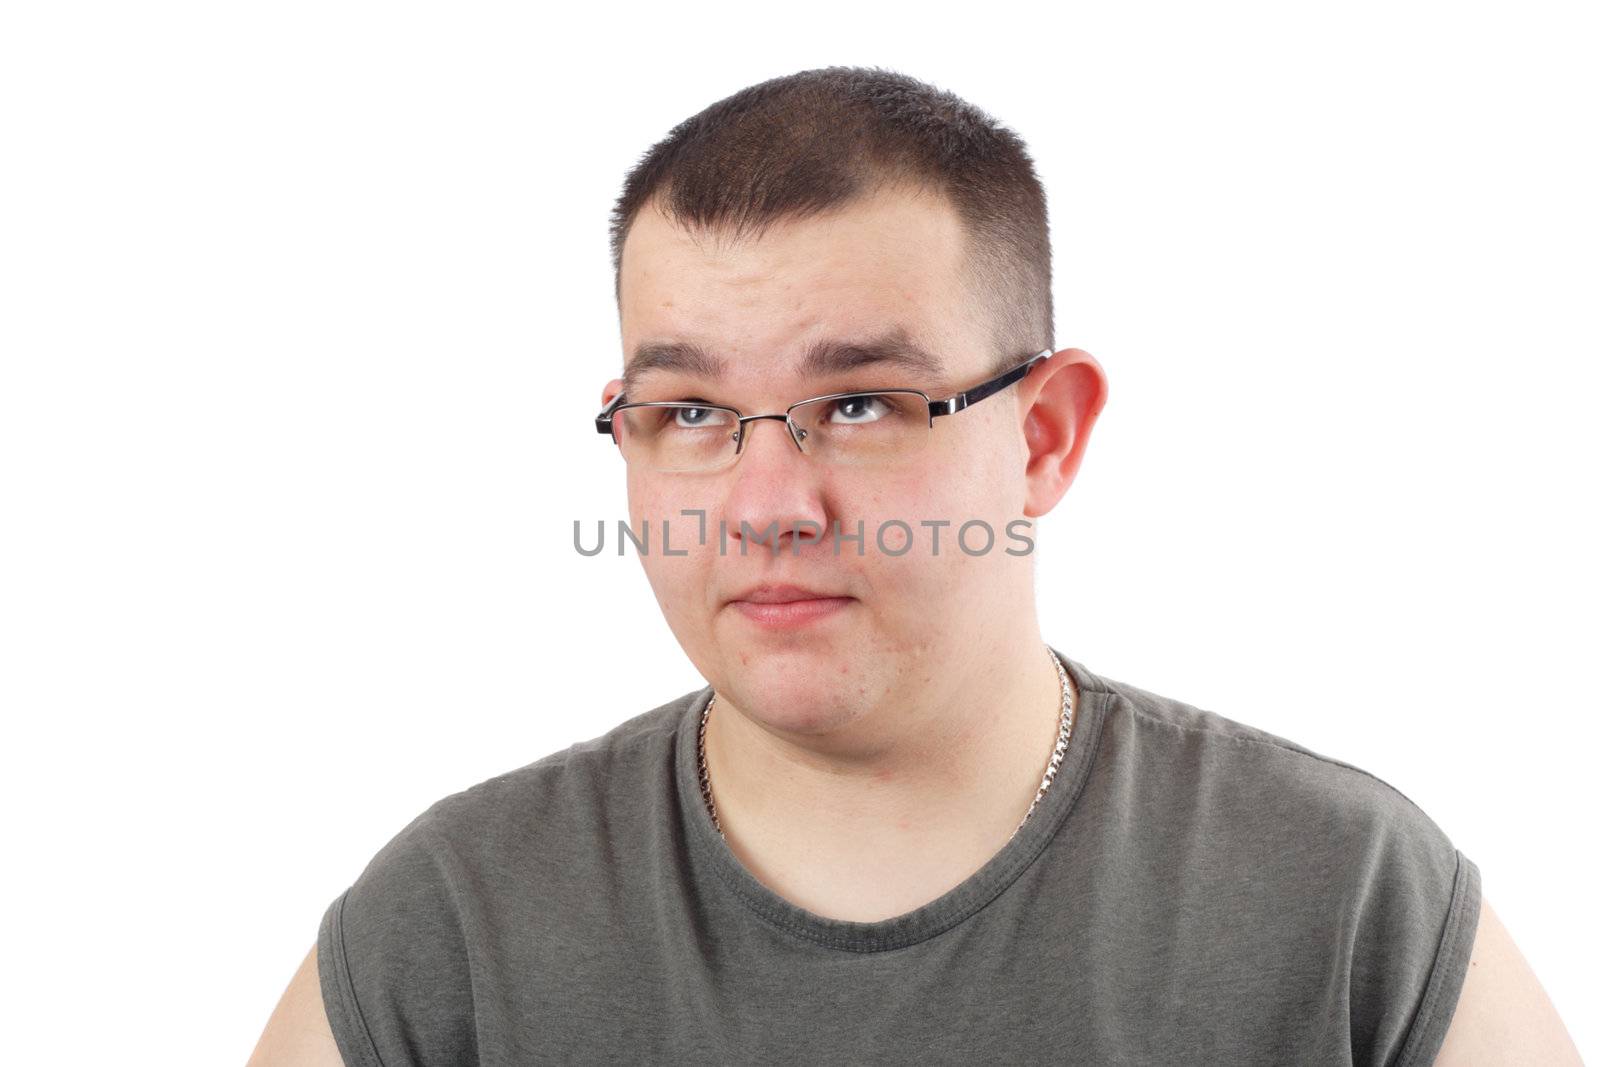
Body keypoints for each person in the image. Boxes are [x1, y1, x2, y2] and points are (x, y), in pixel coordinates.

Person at [248, 66, 1581, 1065]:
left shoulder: (1343, 905)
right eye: (694, 415)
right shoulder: (455, 930)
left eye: (865, 404)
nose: (765, 506)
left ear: (1044, 437)